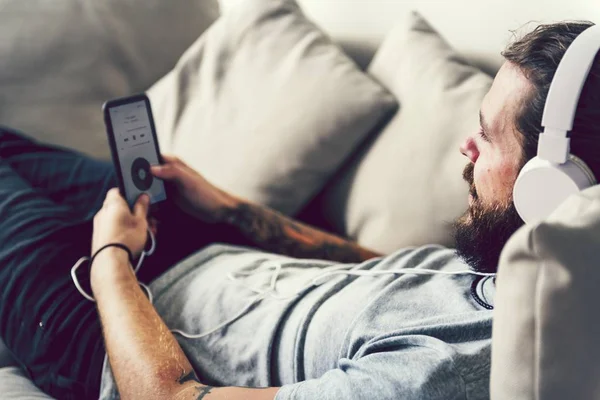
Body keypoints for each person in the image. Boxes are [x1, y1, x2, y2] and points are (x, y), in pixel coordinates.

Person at [0, 20, 598, 400]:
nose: (465, 148)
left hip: (104, 325)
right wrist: (230, 209)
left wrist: (110, 260)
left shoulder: (444, 374)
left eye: (488, 137)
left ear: (555, 187)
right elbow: (385, 274)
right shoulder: (511, 264)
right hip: (190, 246)